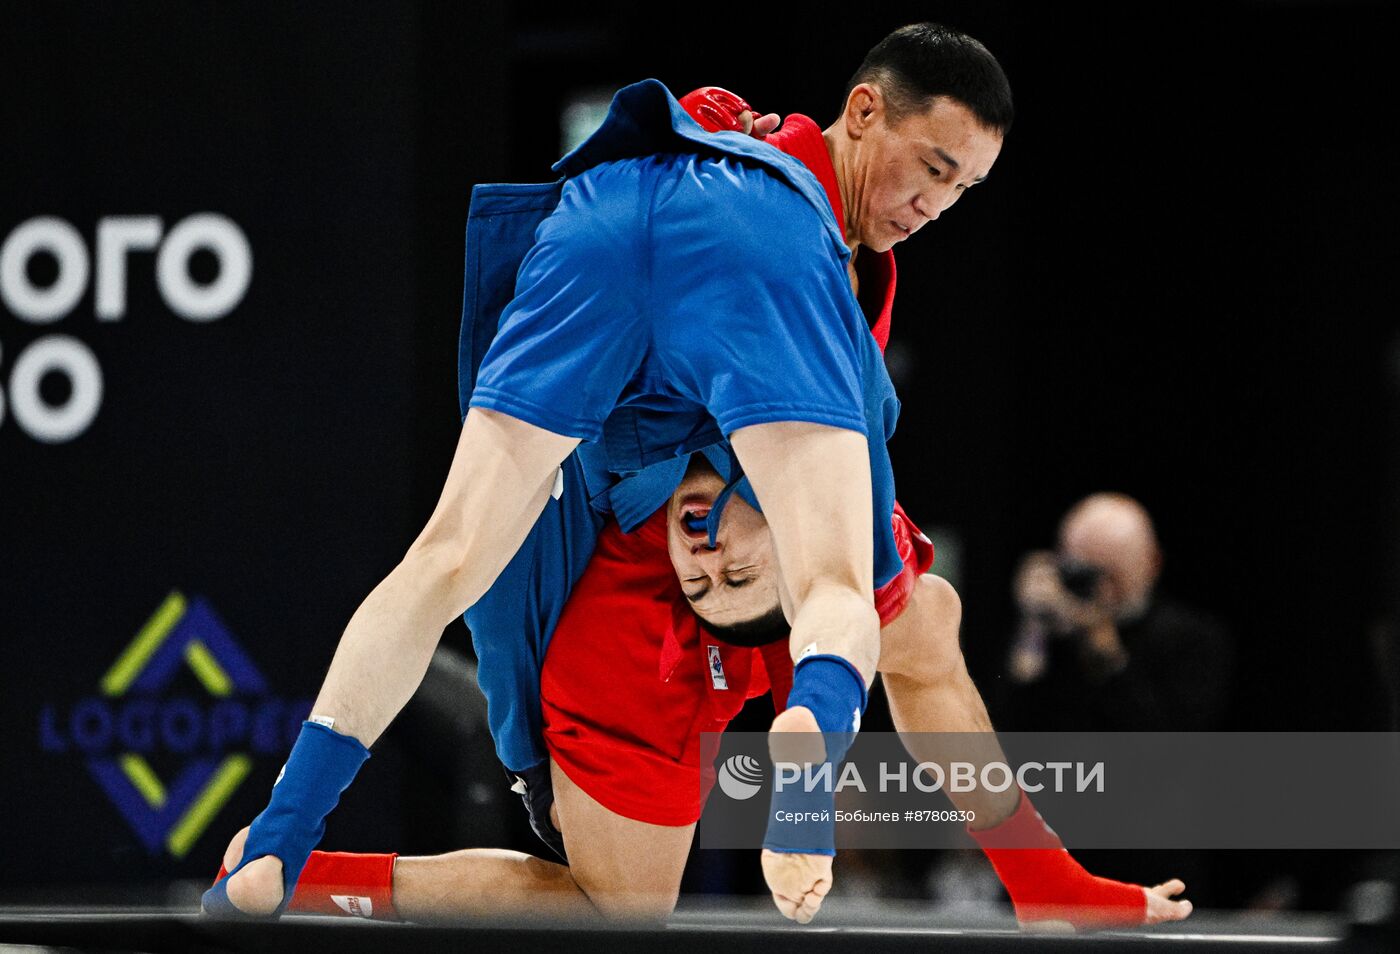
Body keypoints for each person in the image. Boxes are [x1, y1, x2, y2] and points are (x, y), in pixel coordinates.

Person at [211, 25, 1189, 928]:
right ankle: (866, 793)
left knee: (450, 561)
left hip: (602, 216)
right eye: (930, 167)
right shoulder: (804, 249)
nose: (935, 203)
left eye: (964, 188)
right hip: (668, 539)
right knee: (872, 600)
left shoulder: (746, 173)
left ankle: (283, 850)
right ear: (861, 114)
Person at [1005, 492, 1234, 732]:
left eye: (1112, 576)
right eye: (1084, 574)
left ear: (1153, 563)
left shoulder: (1194, 637)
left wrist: (1107, 655)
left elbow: (1170, 743)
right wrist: (1032, 629)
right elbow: (1006, 724)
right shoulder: (1056, 634)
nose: (1099, 589)